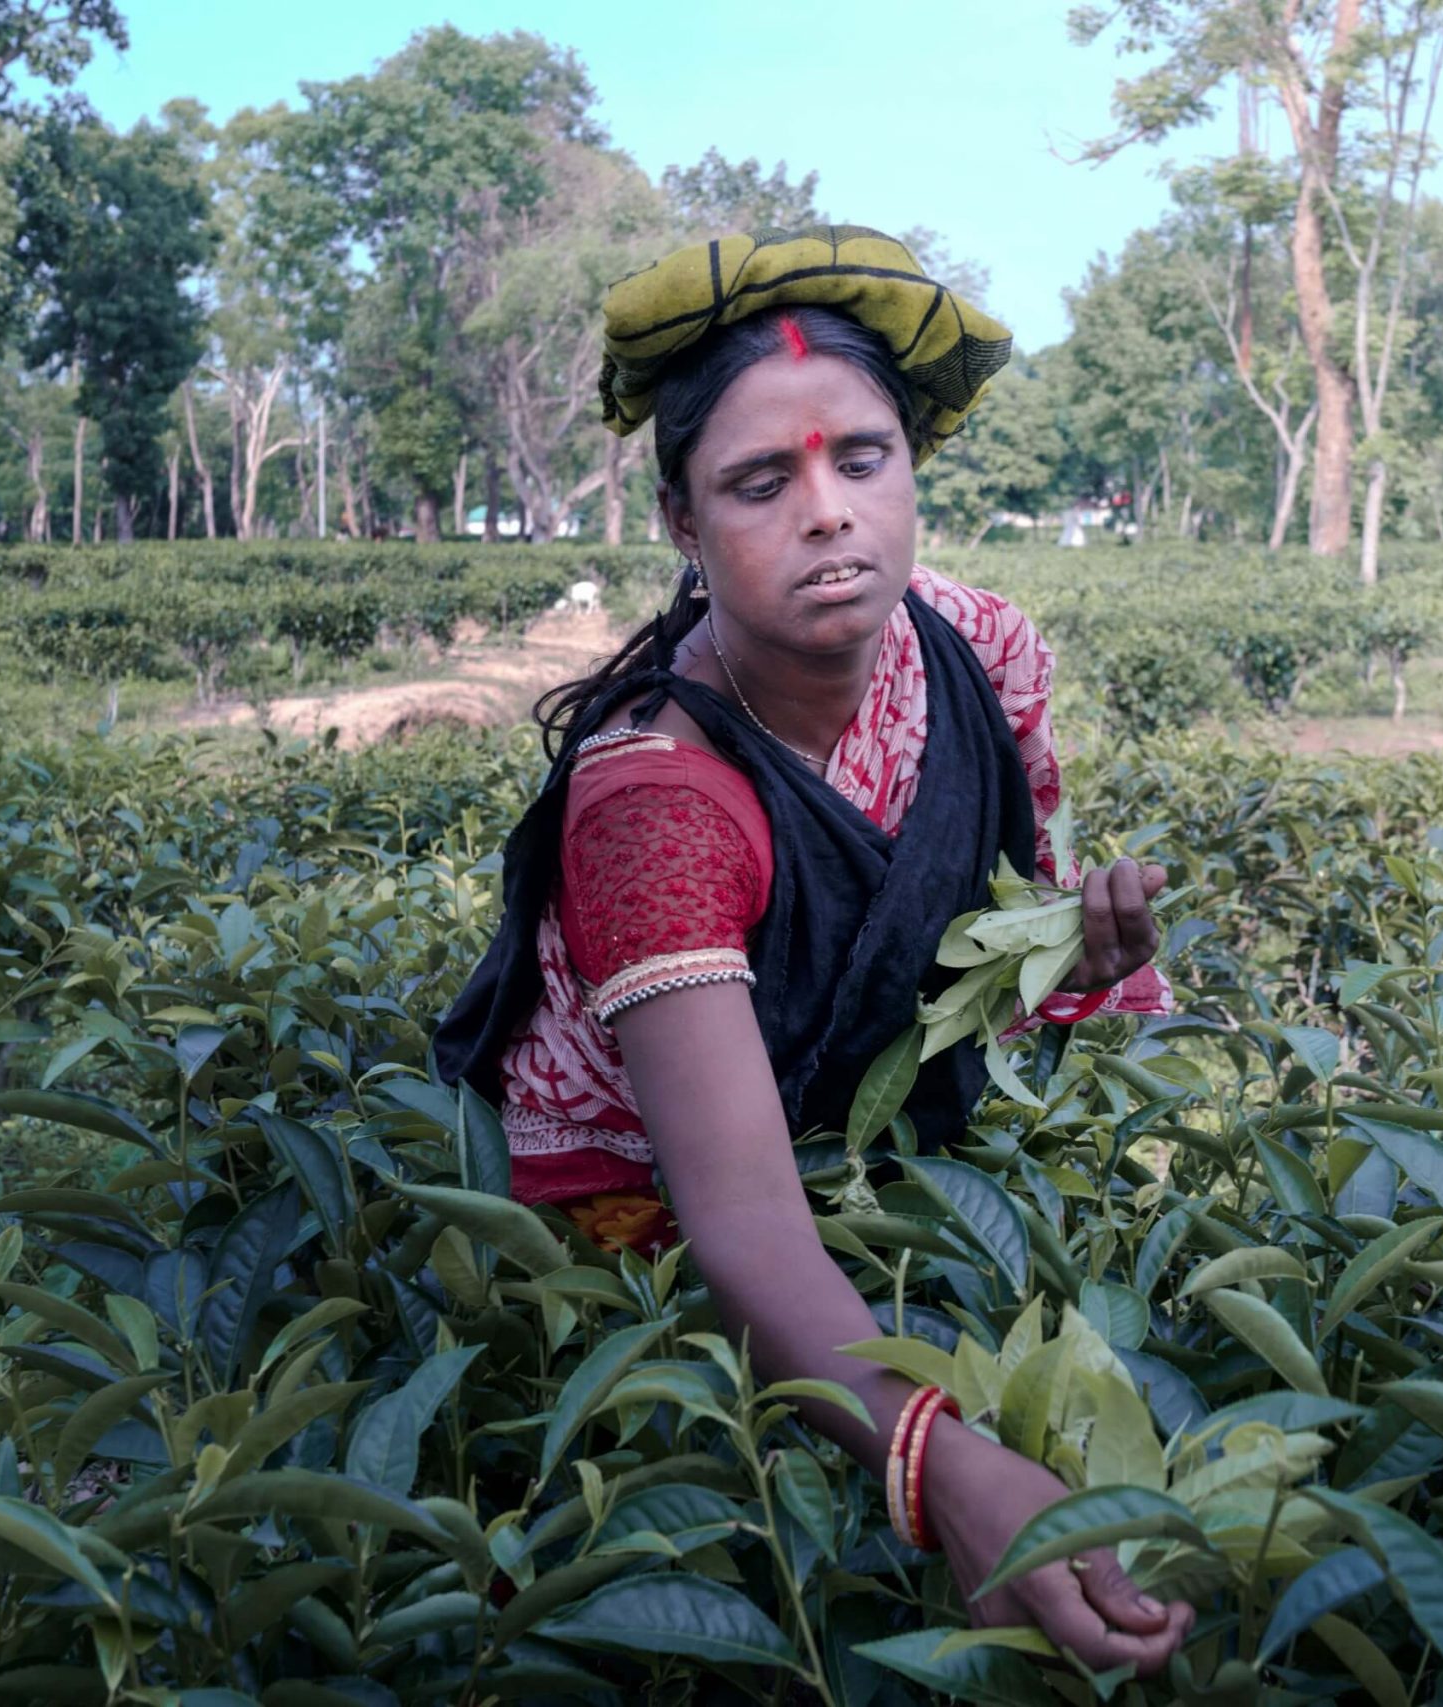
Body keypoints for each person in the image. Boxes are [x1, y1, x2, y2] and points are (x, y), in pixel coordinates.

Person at [435, 225, 1193, 1672]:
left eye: (862, 459)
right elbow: (737, 1225)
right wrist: (941, 1466)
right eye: (759, 482)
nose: (829, 513)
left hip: (869, 1144)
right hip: (644, 1222)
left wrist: (1073, 964)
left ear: (914, 471)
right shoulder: (655, 799)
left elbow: (968, 944)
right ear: (680, 521)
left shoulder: (982, 649)